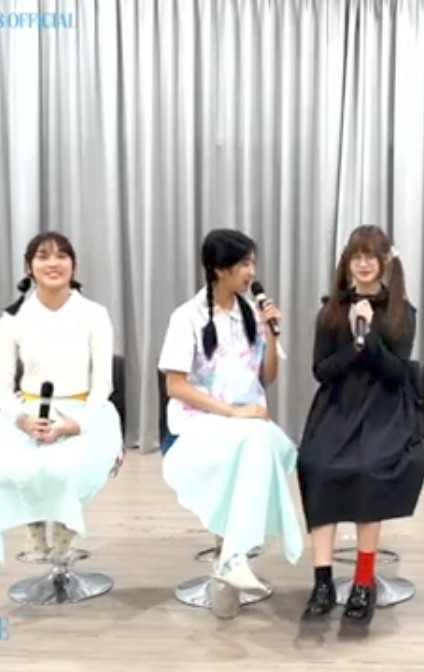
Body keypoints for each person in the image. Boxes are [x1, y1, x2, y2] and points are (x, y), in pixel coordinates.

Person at [158, 229, 305, 620]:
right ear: (218, 269)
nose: (251, 272)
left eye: (252, 263)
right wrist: (231, 413)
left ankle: (230, 558)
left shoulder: (252, 313)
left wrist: (270, 332)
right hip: (200, 422)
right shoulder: (186, 317)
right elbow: (176, 386)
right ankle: (233, 556)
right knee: (257, 441)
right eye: (243, 264)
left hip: (248, 420)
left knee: (266, 441)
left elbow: (267, 376)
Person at [297, 225, 424, 625]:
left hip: (383, 409)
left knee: (368, 471)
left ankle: (363, 580)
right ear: (347, 263)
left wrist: (368, 335)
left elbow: (396, 373)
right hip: (337, 407)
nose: (363, 264)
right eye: (356, 256)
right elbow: (321, 370)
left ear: (385, 260)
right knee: (316, 466)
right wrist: (352, 346)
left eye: (371, 256)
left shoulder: (403, 312)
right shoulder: (331, 310)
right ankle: (322, 581)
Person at [0, 232, 124, 565]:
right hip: (29, 414)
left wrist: (76, 424)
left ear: (73, 265)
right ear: (29, 267)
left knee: (63, 468)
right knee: (6, 467)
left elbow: (103, 384)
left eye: (61, 256)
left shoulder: (94, 314)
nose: (53, 263)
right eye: (43, 256)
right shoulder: (13, 318)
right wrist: (23, 420)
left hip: (84, 412)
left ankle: (63, 546)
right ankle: (36, 535)